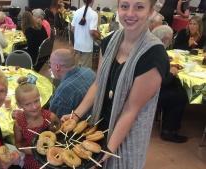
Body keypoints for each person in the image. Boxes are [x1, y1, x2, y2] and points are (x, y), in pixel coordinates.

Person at [61, 0, 169, 168]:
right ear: (118, 8)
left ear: (150, 11)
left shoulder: (153, 55)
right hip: (99, 125)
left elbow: (130, 109)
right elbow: (98, 85)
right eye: (124, 6)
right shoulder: (109, 41)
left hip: (127, 134)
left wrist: (108, 150)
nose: (130, 13)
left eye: (139, 7)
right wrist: (76, 116)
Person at [152, 25, 188, 143]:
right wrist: (172, 73)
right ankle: (168, 131)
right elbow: (160, 82)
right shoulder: (159, 51)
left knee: (176, 91)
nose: (171, 41)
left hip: (147, 89)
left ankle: (168, 122)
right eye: (171, 39)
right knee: (180, 97)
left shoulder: (153, 47)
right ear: (165, 39)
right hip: (151, 93)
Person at [13, 76, 59, 169]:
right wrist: (30, 151)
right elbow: (18, 144)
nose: (34, 107)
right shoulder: (19, 124)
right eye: (28, 104)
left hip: (53, 157)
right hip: (33, 159)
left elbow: (60, 134)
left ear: (40, 98)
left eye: (36, 101)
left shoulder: (50, 117)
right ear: (19, 105)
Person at [49, 49, 96, 120]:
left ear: (57, 66)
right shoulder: (88, 70)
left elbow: (54, 120)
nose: (50, 66)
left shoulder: (63, 91)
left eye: (50, 63)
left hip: (78, 127)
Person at [71, 0, 98, 68]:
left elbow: (72, 28)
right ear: (93, 1)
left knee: (80, 63)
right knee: (85, 69)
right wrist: (96, 37)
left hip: (77, 43)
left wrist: (79, 33)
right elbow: (91, 32)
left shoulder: (77, 12)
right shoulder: (93, 14)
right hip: (87, 45)